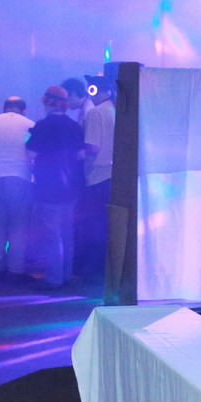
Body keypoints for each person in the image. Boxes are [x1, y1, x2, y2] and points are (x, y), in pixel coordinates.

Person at [25, 84, 86, 291]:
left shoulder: (42, 126)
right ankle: (66, 274)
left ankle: (54, 278)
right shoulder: (74, 126)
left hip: (48, 187)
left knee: (52, 235)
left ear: (47, 102)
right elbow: (81, 156)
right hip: (71, 188)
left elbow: (30, 154)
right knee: (67, 233)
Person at [0, 96, 34, 280]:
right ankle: (16, 271)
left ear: (4, 108)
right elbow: (31, 153)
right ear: (23, 110)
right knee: (18, 226)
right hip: (20, 177)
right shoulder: (29, 124)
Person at [78, 75, 116, 286]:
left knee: (93, 227)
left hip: (97, 177)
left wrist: (84, 166)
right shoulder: (115, 110)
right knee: (108, 226)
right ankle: (106, 270)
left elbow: (93, 147)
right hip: (114, 175)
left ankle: (91, 272)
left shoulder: (95, 113)